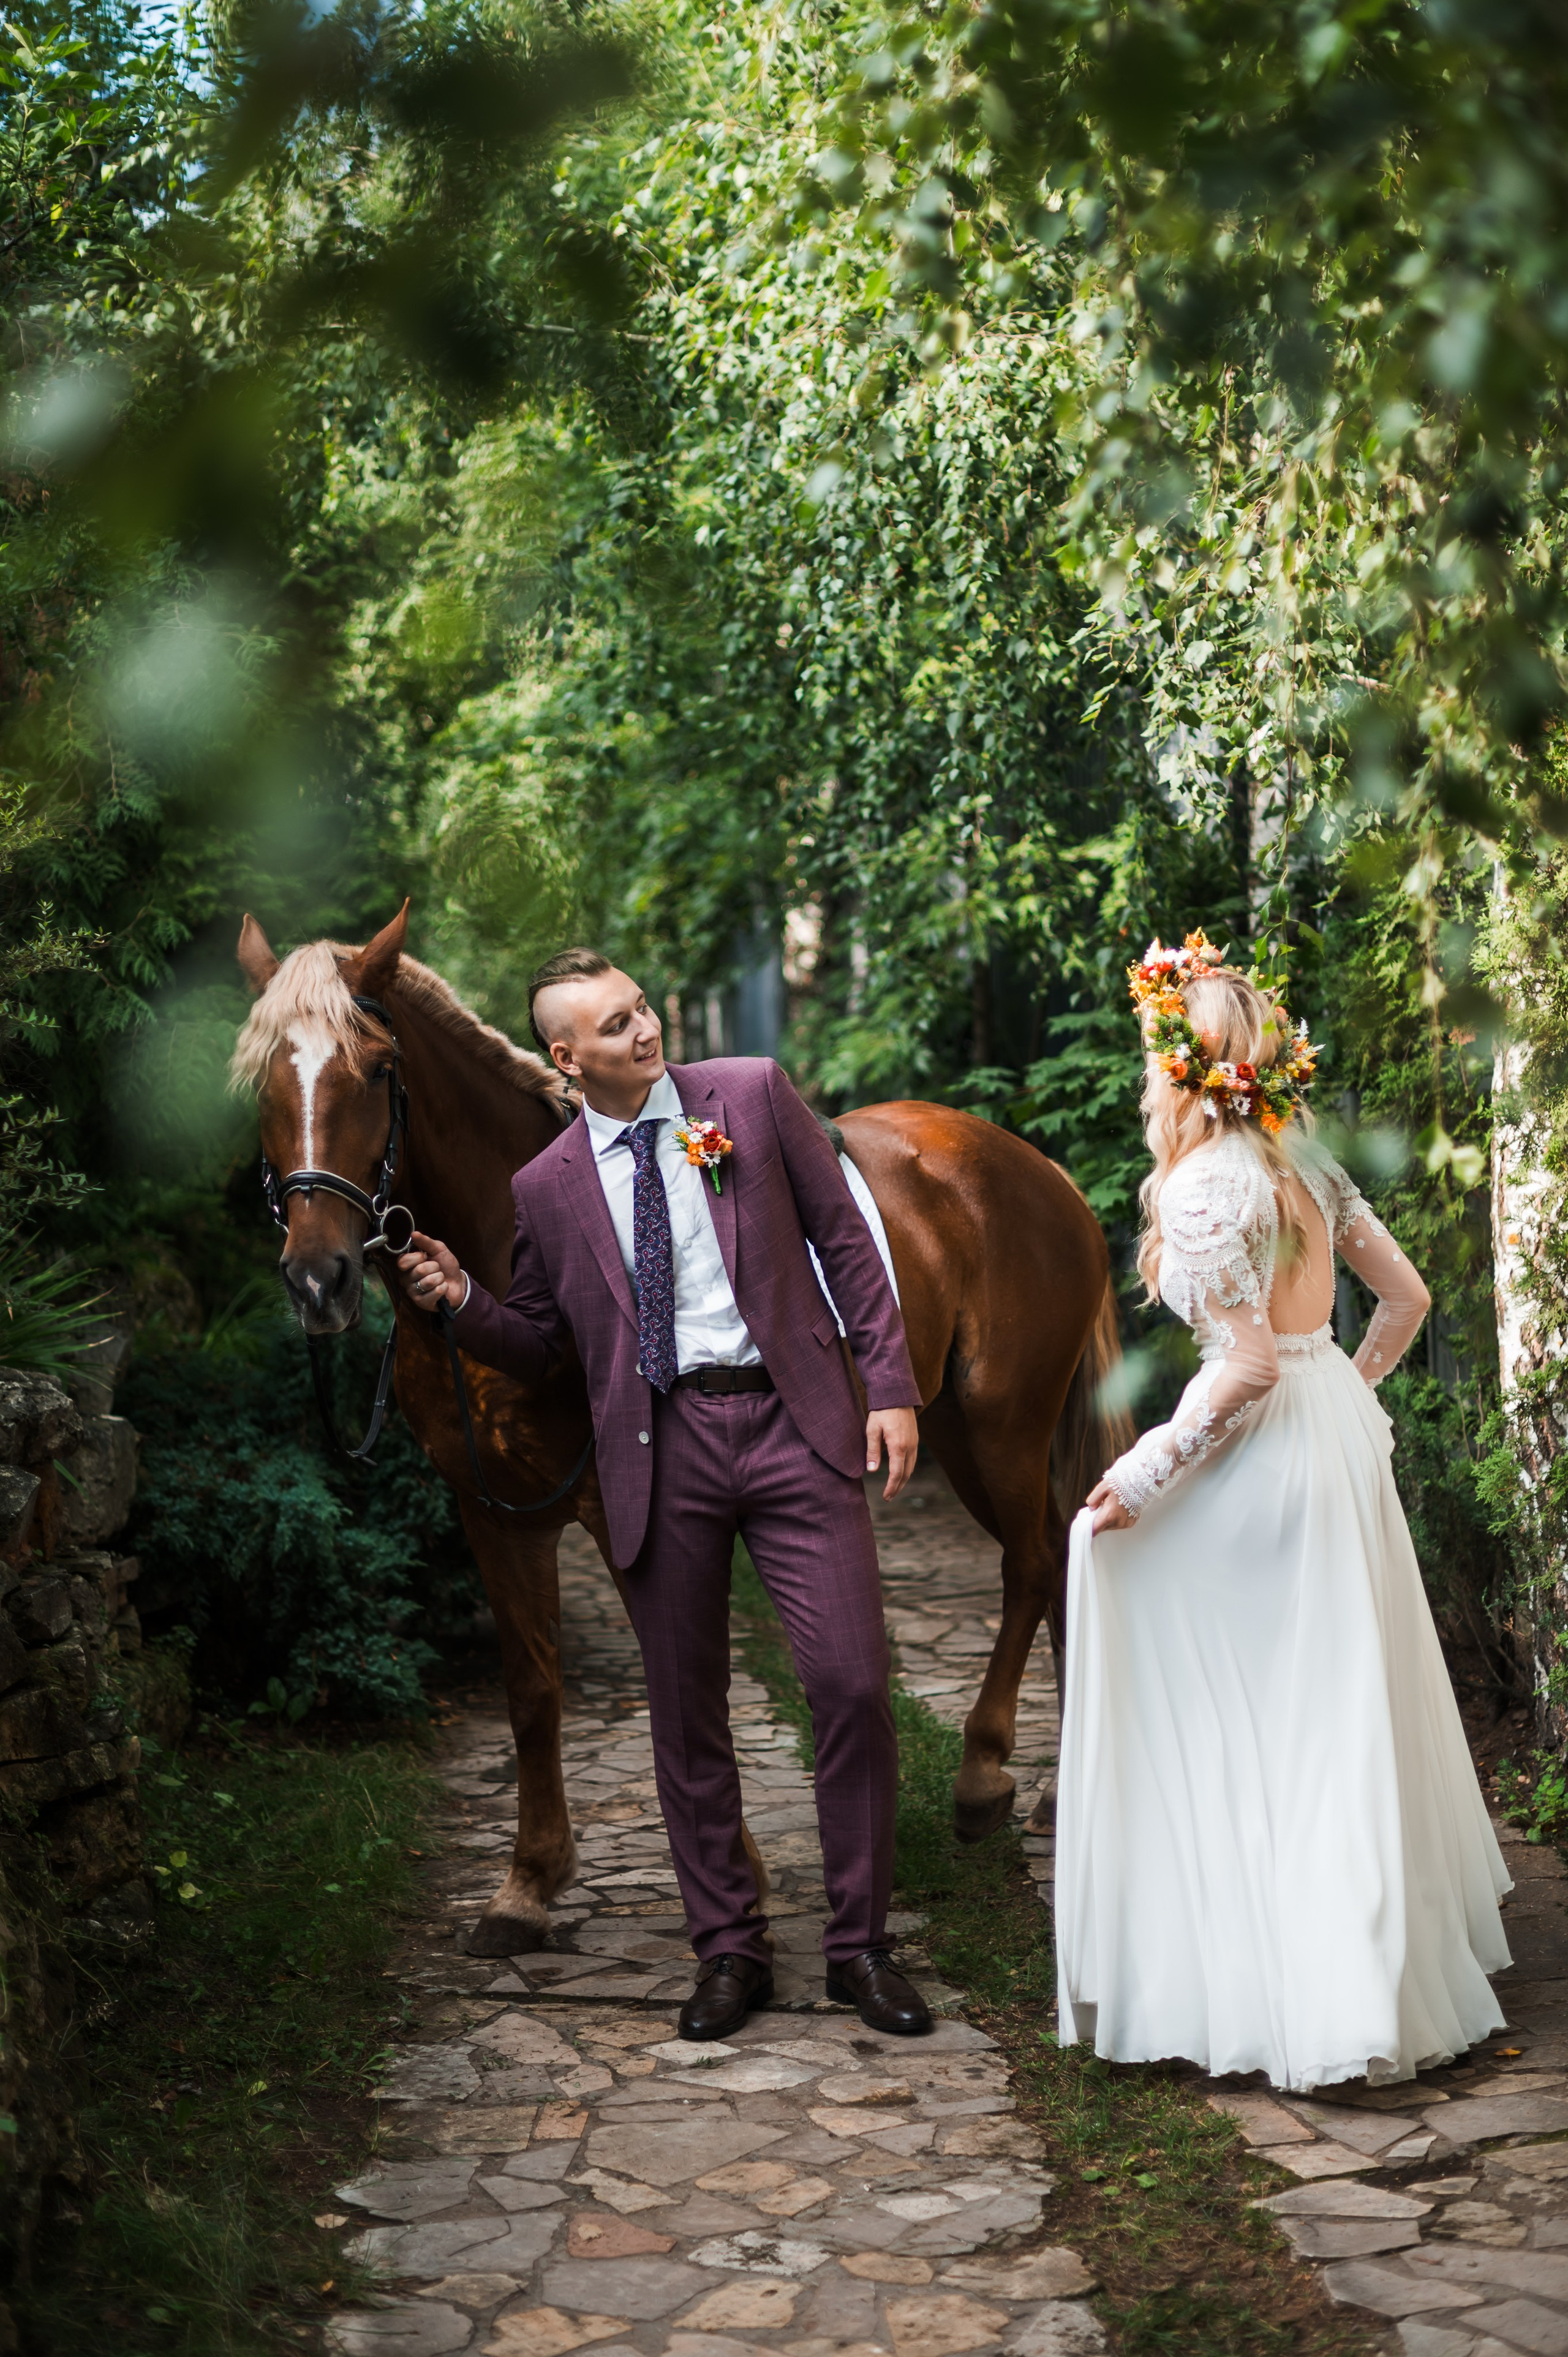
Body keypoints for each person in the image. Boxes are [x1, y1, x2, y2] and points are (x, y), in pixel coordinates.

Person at [398, 947, 932, 2040]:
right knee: (687, 1720)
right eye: (614, 1024)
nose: (644, 1031)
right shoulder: (543, 1188)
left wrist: (888, 1386)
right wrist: (461, 1298)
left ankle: (860, 1948)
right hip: (660, 1449)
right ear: (565, 1055)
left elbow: (844, 1240)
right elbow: (544, 1344)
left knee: (851, 1686)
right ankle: (729, 1953)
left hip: (794, 1425)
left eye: (641, 1009)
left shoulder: (749, 1094)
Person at [1055, 932, 1511, 2092]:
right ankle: (1350, 1967)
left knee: (1171, 1614)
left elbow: (1247, 1365)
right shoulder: (1302, 1165)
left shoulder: (1209, 1182)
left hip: (1274, 1444)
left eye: (1155, 1056)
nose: (1144, 1078)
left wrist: (1148, 1470)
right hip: (1336, 1437)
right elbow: (1403, 1302)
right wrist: (1345, 1393)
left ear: (1188, 1068)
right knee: (1332, 1698)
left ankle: (1271, 1970)